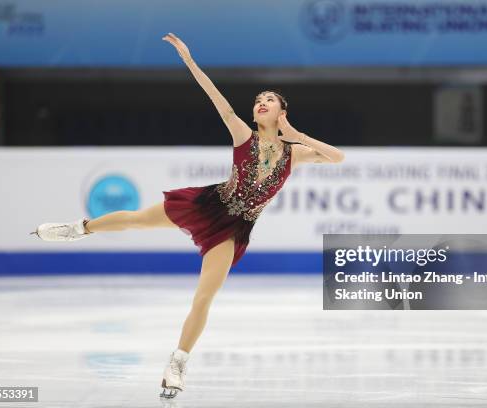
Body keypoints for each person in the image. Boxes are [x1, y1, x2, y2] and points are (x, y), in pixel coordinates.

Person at [31, 33, 345, 399]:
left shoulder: (295, 153)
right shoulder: (243, 135)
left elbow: (337, 157)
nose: (260, 103)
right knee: (137, 218)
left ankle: (177, 362)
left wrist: (297, 135)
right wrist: (191, 62)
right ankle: (78, 229)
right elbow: (217, 99)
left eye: (269, 100)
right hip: (208, 204)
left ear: (281, 112)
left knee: (203, 297)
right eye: (258, 100)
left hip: (233, 229)